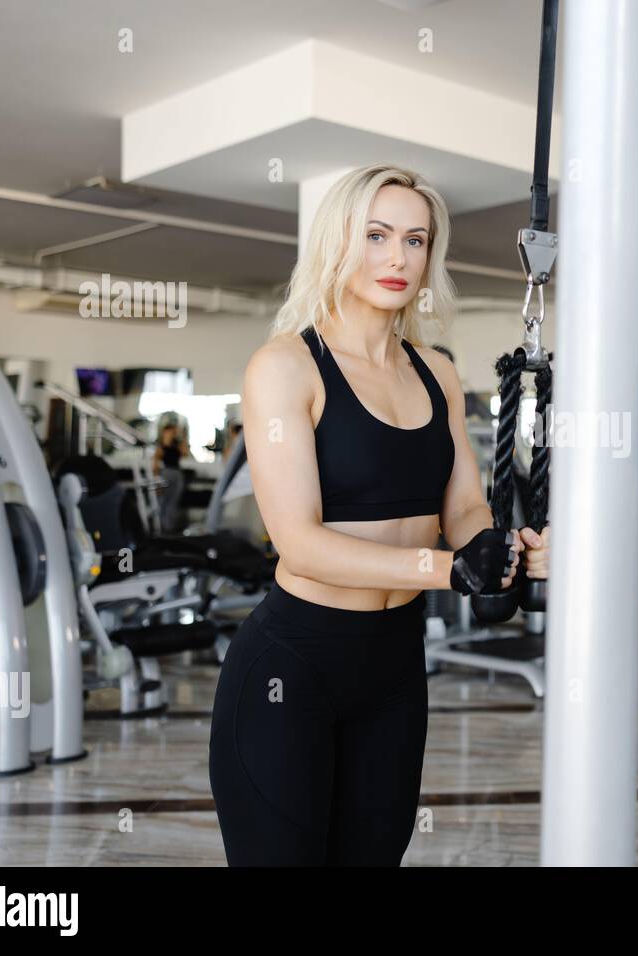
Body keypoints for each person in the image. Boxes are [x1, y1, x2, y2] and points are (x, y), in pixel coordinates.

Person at [208, 163, 550, 866]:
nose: (398, 257)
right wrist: (449, 571)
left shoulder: (436, 371)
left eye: (416, 240)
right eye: (376, 235)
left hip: (395, 666)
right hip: (292, 668)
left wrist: (498, 551)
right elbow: (298, 543)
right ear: (338, 241)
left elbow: (461, 505)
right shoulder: (285, 367)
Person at [152, 421, 189, 534]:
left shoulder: (177, 444)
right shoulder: (161, 446)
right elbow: (155, 462)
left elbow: (185, 453)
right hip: (166, 473)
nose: (172, 433)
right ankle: (160, 525)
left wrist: (182, 437)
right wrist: (156, 478)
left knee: (173, 500)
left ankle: (169, 526)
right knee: (162, 500)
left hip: (176, 473)